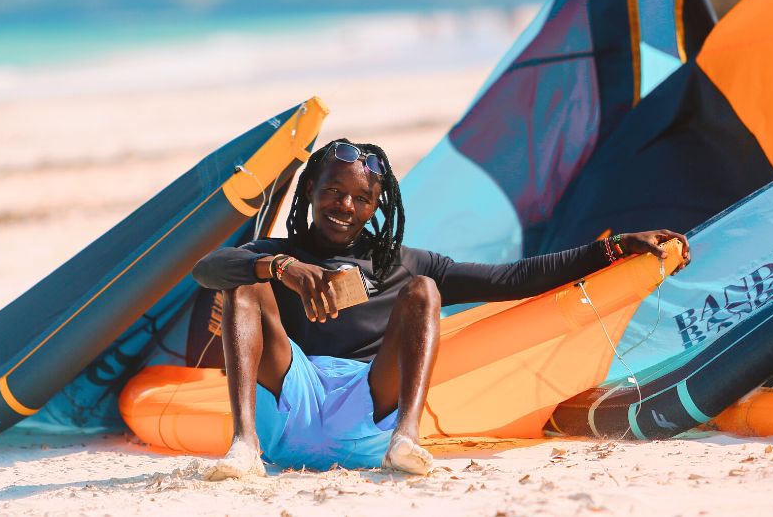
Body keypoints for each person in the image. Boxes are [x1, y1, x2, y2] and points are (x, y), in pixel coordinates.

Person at [192, 138, 690, 479]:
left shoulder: (401, 264)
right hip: (290, 399)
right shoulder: (275, 255)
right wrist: (281, 269)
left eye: (361, 199)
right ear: (312, 193)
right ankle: (244, 446)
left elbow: (514, 278)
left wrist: (615, 247)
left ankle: (406, 440)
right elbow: (207, 269)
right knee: (240, 285)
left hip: (368, 406)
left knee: (424, 290)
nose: (345, 206)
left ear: (377, 207)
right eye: (333, 192)